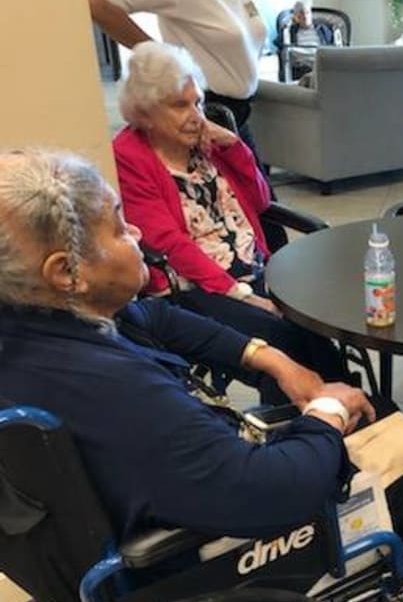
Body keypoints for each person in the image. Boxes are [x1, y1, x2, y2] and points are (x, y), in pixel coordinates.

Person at [0, 149, 403, 602]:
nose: (138, 235)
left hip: (118, 544)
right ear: (66, 272)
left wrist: (272, 359)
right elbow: (267, 493)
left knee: (368, 416)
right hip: (191, 565)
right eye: (119, 229)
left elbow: (159, 318)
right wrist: (327, 412)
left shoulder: (42, 325)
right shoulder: (110, 388)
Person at [111, 41, 345, 406]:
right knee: (280, 341)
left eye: (198, 102)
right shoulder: (130, 157)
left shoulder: (207, 142)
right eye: (180, 105)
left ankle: (346, 413)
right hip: (192, 288)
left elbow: (262, 200)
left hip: (254, 268)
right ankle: (300, 431)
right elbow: (169, 243)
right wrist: (243, 295)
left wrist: (235, 146)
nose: (196, 115)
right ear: (146, 112)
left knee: (315, 325)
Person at [87, 0, 266, 155]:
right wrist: (161, 55)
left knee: (254, 185)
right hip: (202, 110)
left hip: (238, 113)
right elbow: (97, 2)